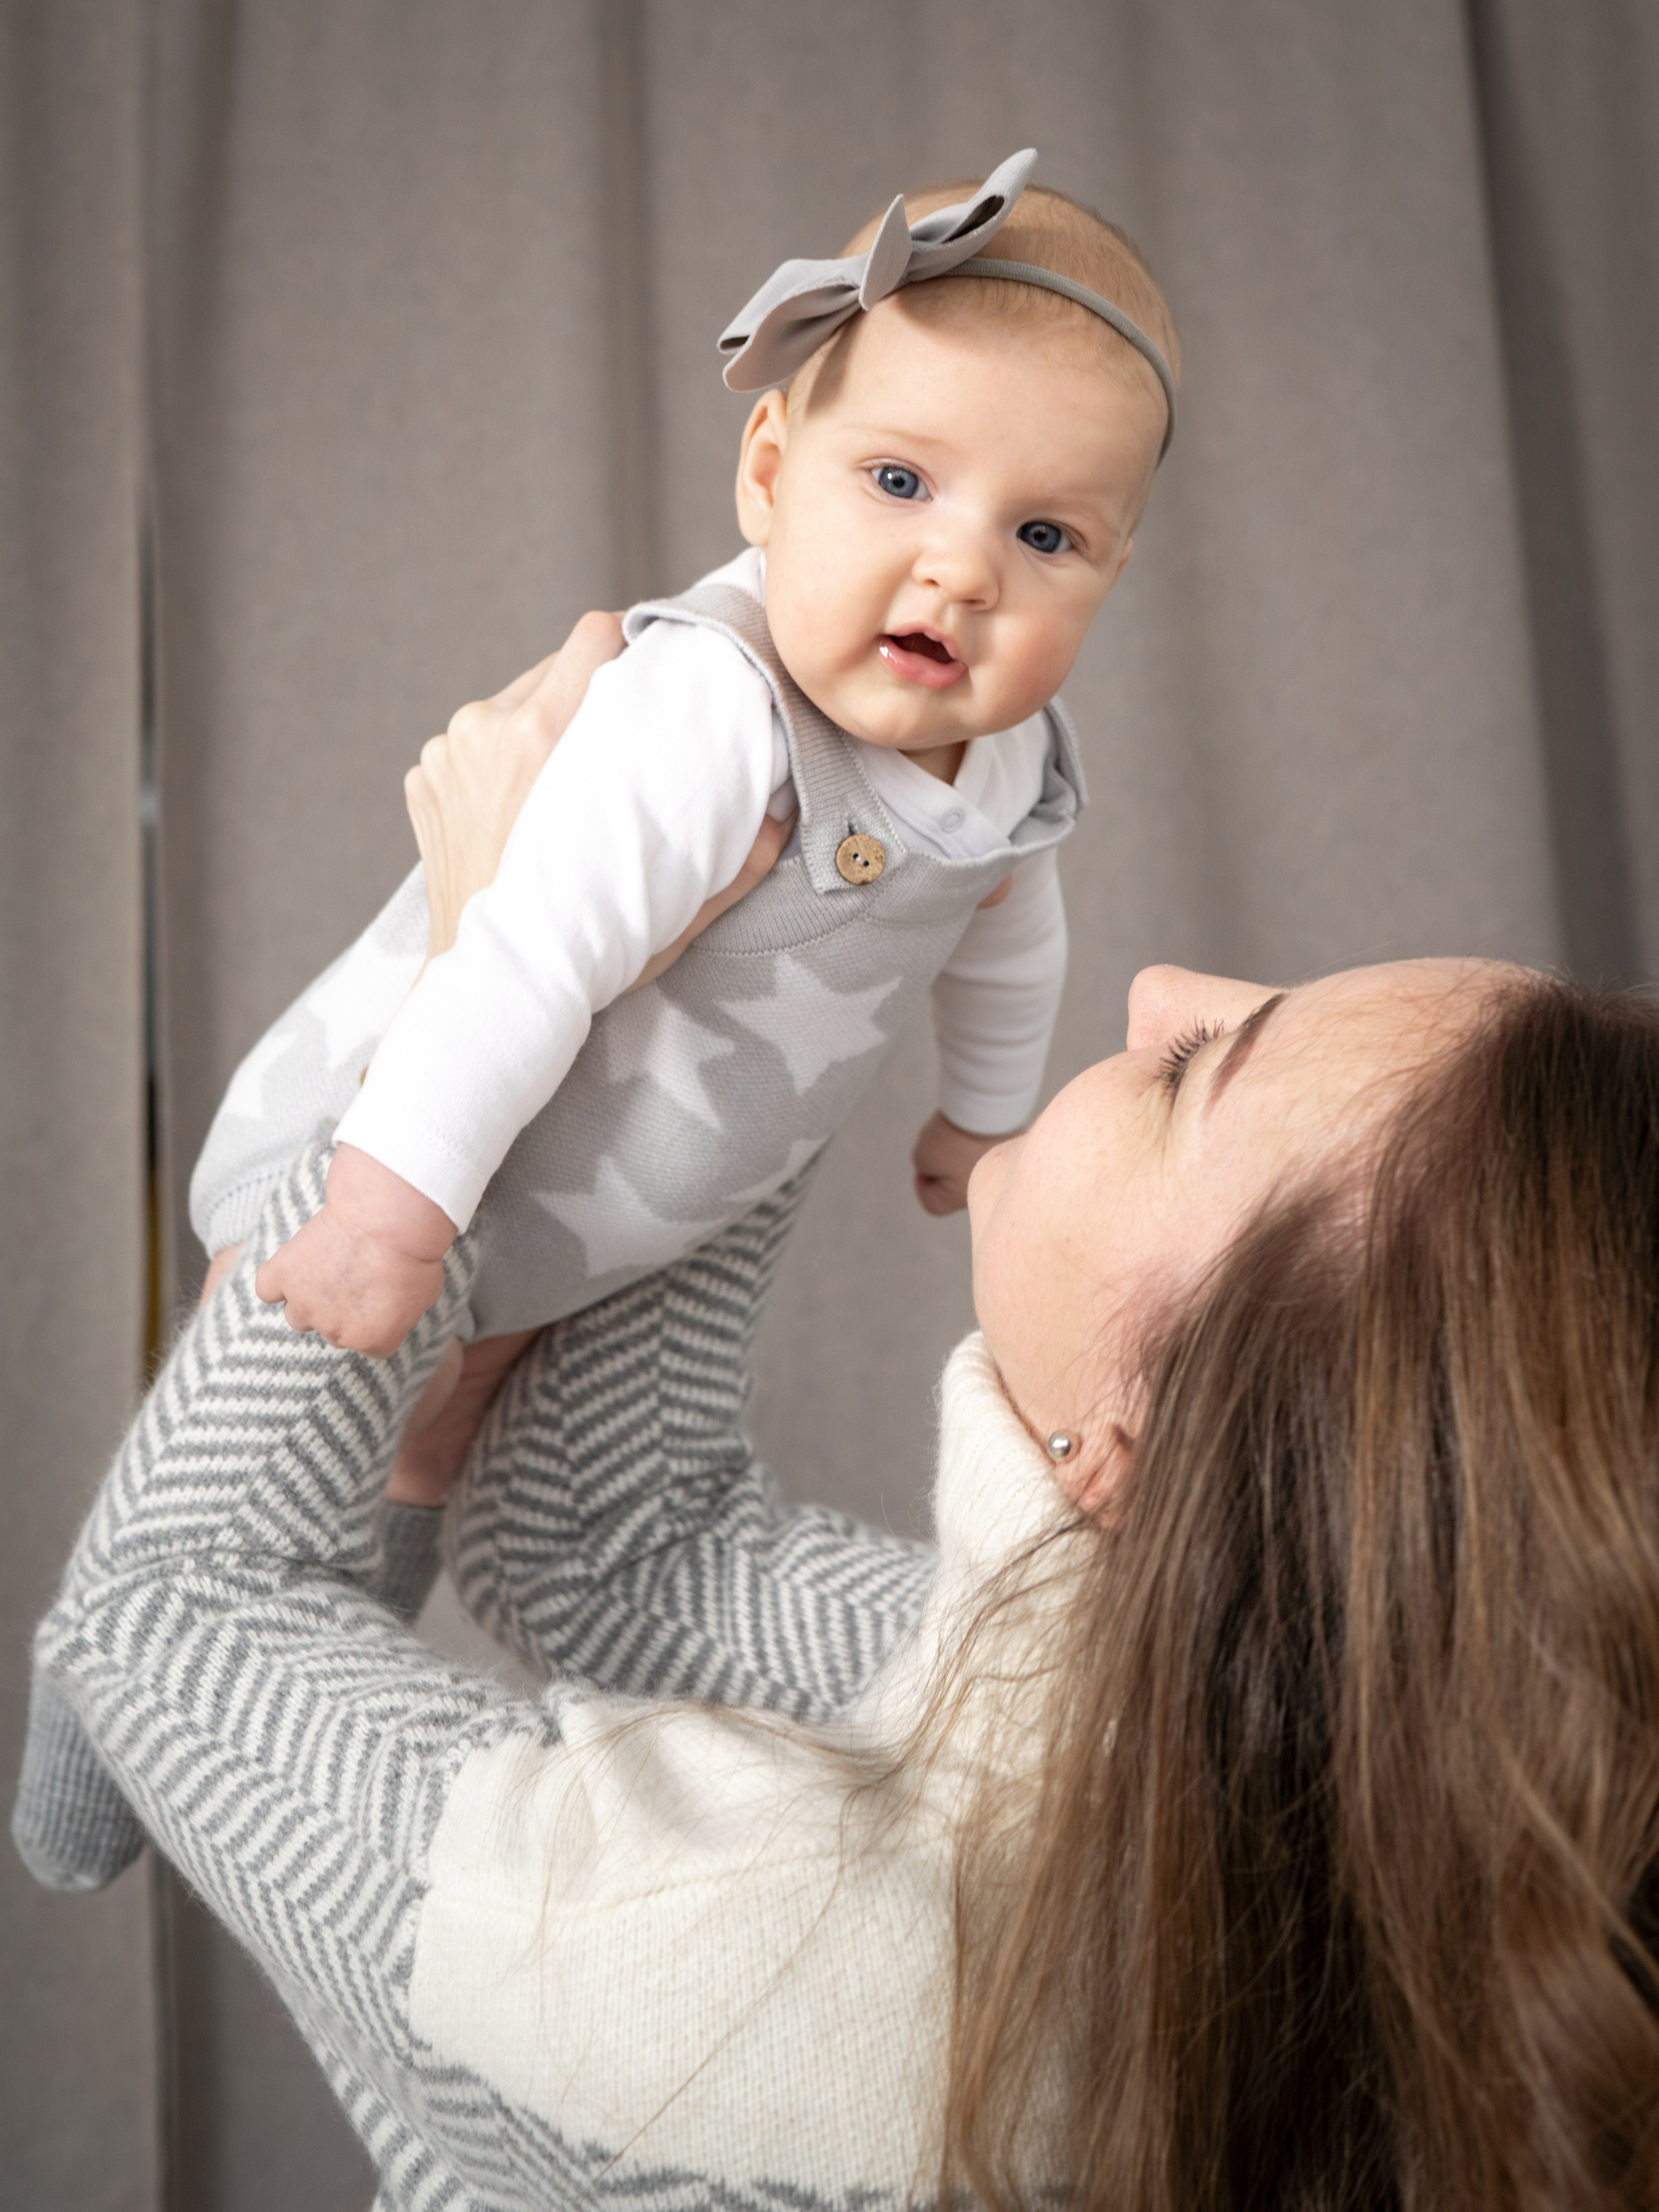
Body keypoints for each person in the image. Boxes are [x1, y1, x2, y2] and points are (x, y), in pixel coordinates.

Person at [23, 699, 1659, 2207]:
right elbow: (607, 1552)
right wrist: (759, 987)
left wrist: (459, 1028)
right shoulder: (1169, 1744)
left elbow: (159, 1611)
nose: (1161, 989)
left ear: (1153, 1451)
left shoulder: (730, 1975)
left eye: (1191, 1075)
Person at [205, 146, 1179, 1448]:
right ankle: (292, 1350)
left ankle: (432, 1457)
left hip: (594, 1226)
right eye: (899, 483)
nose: (960, 573)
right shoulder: (714, 708)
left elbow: (1009, 936)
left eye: (1043, 536)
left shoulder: (1010, 756)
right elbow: (522, 958)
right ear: (770, 475)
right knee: (270, 1400)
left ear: (1111, 570)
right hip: (389, 1146)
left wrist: (982, 1116)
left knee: (443, 1437)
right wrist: (378, 1221)